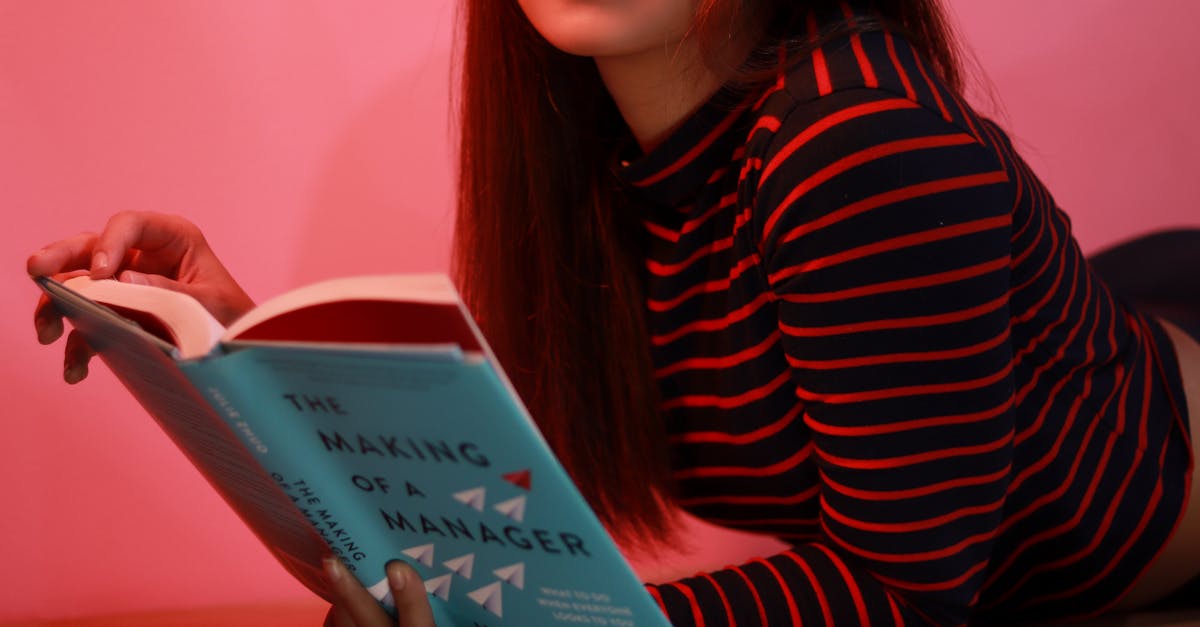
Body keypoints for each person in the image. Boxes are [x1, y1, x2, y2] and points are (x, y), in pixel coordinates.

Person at [27, 0, 1200, 624]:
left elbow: (907, 594)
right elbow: (503, 493)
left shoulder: (856, 142)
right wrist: (240, 348)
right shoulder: (598, 166)